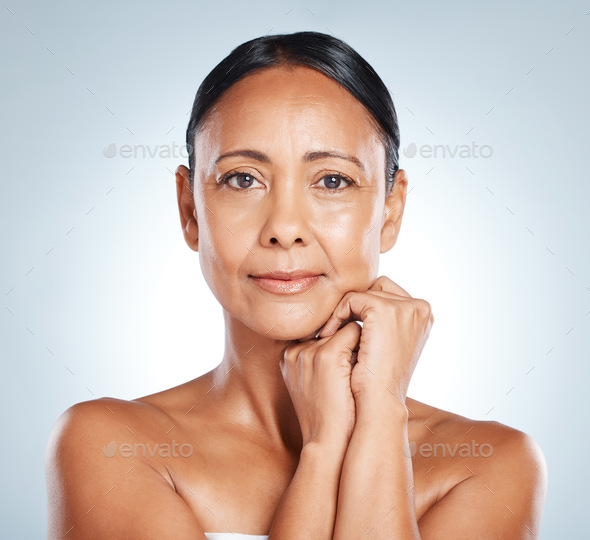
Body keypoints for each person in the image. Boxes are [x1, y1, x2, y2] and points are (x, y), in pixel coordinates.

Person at [45, 31, 547, 539]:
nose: (285, 226)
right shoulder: (110, 443)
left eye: (332, 180)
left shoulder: (488, 466)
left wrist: (379, 418)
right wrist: (324, 449)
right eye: (243, 179)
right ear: (190, 209)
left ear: (390, 212)